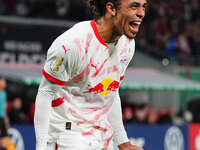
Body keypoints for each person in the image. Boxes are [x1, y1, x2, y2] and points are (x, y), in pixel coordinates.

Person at [34, 0, 147, 149]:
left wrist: (122, 142)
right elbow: (45, 93)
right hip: (68, 135)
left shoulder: (127, 44)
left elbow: (110, 91)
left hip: (103, 137)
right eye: (134, 6)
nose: (141, 13)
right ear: (111, 8)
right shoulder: (71, 44)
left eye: (143, 6)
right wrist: (41, 147)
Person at [0, 77, 9, 150]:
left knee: (5, 143)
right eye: (3, 81)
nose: (4, 83)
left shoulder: (4, 93)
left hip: (2, 119)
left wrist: (6, 122)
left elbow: (4, 109)